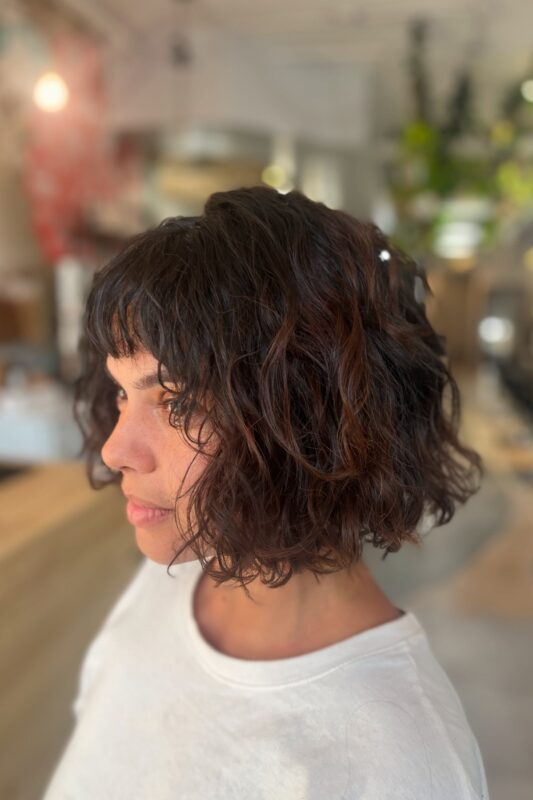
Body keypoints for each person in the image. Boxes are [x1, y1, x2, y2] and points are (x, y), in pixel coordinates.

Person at [42, 186, 490, 799]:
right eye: (123, 393)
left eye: (177, 402)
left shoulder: (402, 763)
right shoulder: (170, 583)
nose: (116, 449)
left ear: (314, 417)